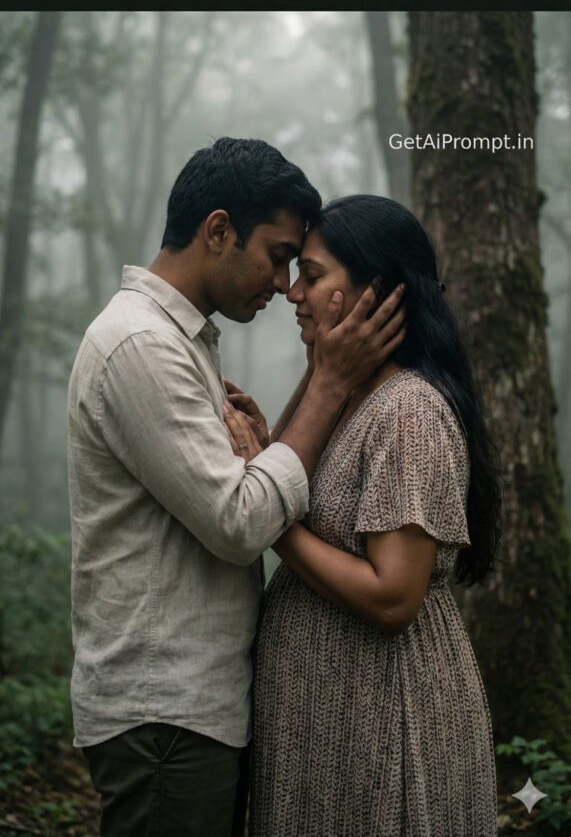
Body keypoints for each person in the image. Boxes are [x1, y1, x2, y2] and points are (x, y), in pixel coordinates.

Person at [67, 141, 405, 837]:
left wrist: (273, 439)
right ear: (217, 231)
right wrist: (330, 381)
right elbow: (238, 521)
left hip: (190, 711)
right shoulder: (141, 345)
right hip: (165, 715)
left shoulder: (177, 339)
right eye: (277, 254)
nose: (284, 285)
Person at [224, 194, 501, 837]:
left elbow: (392, 596)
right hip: (328, 720)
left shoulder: (408, 412)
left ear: (373, 294)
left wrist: (275, 521)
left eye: (314, 276)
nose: (294, 292)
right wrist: (272, 452)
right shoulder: (352, 395)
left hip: (381, 715)